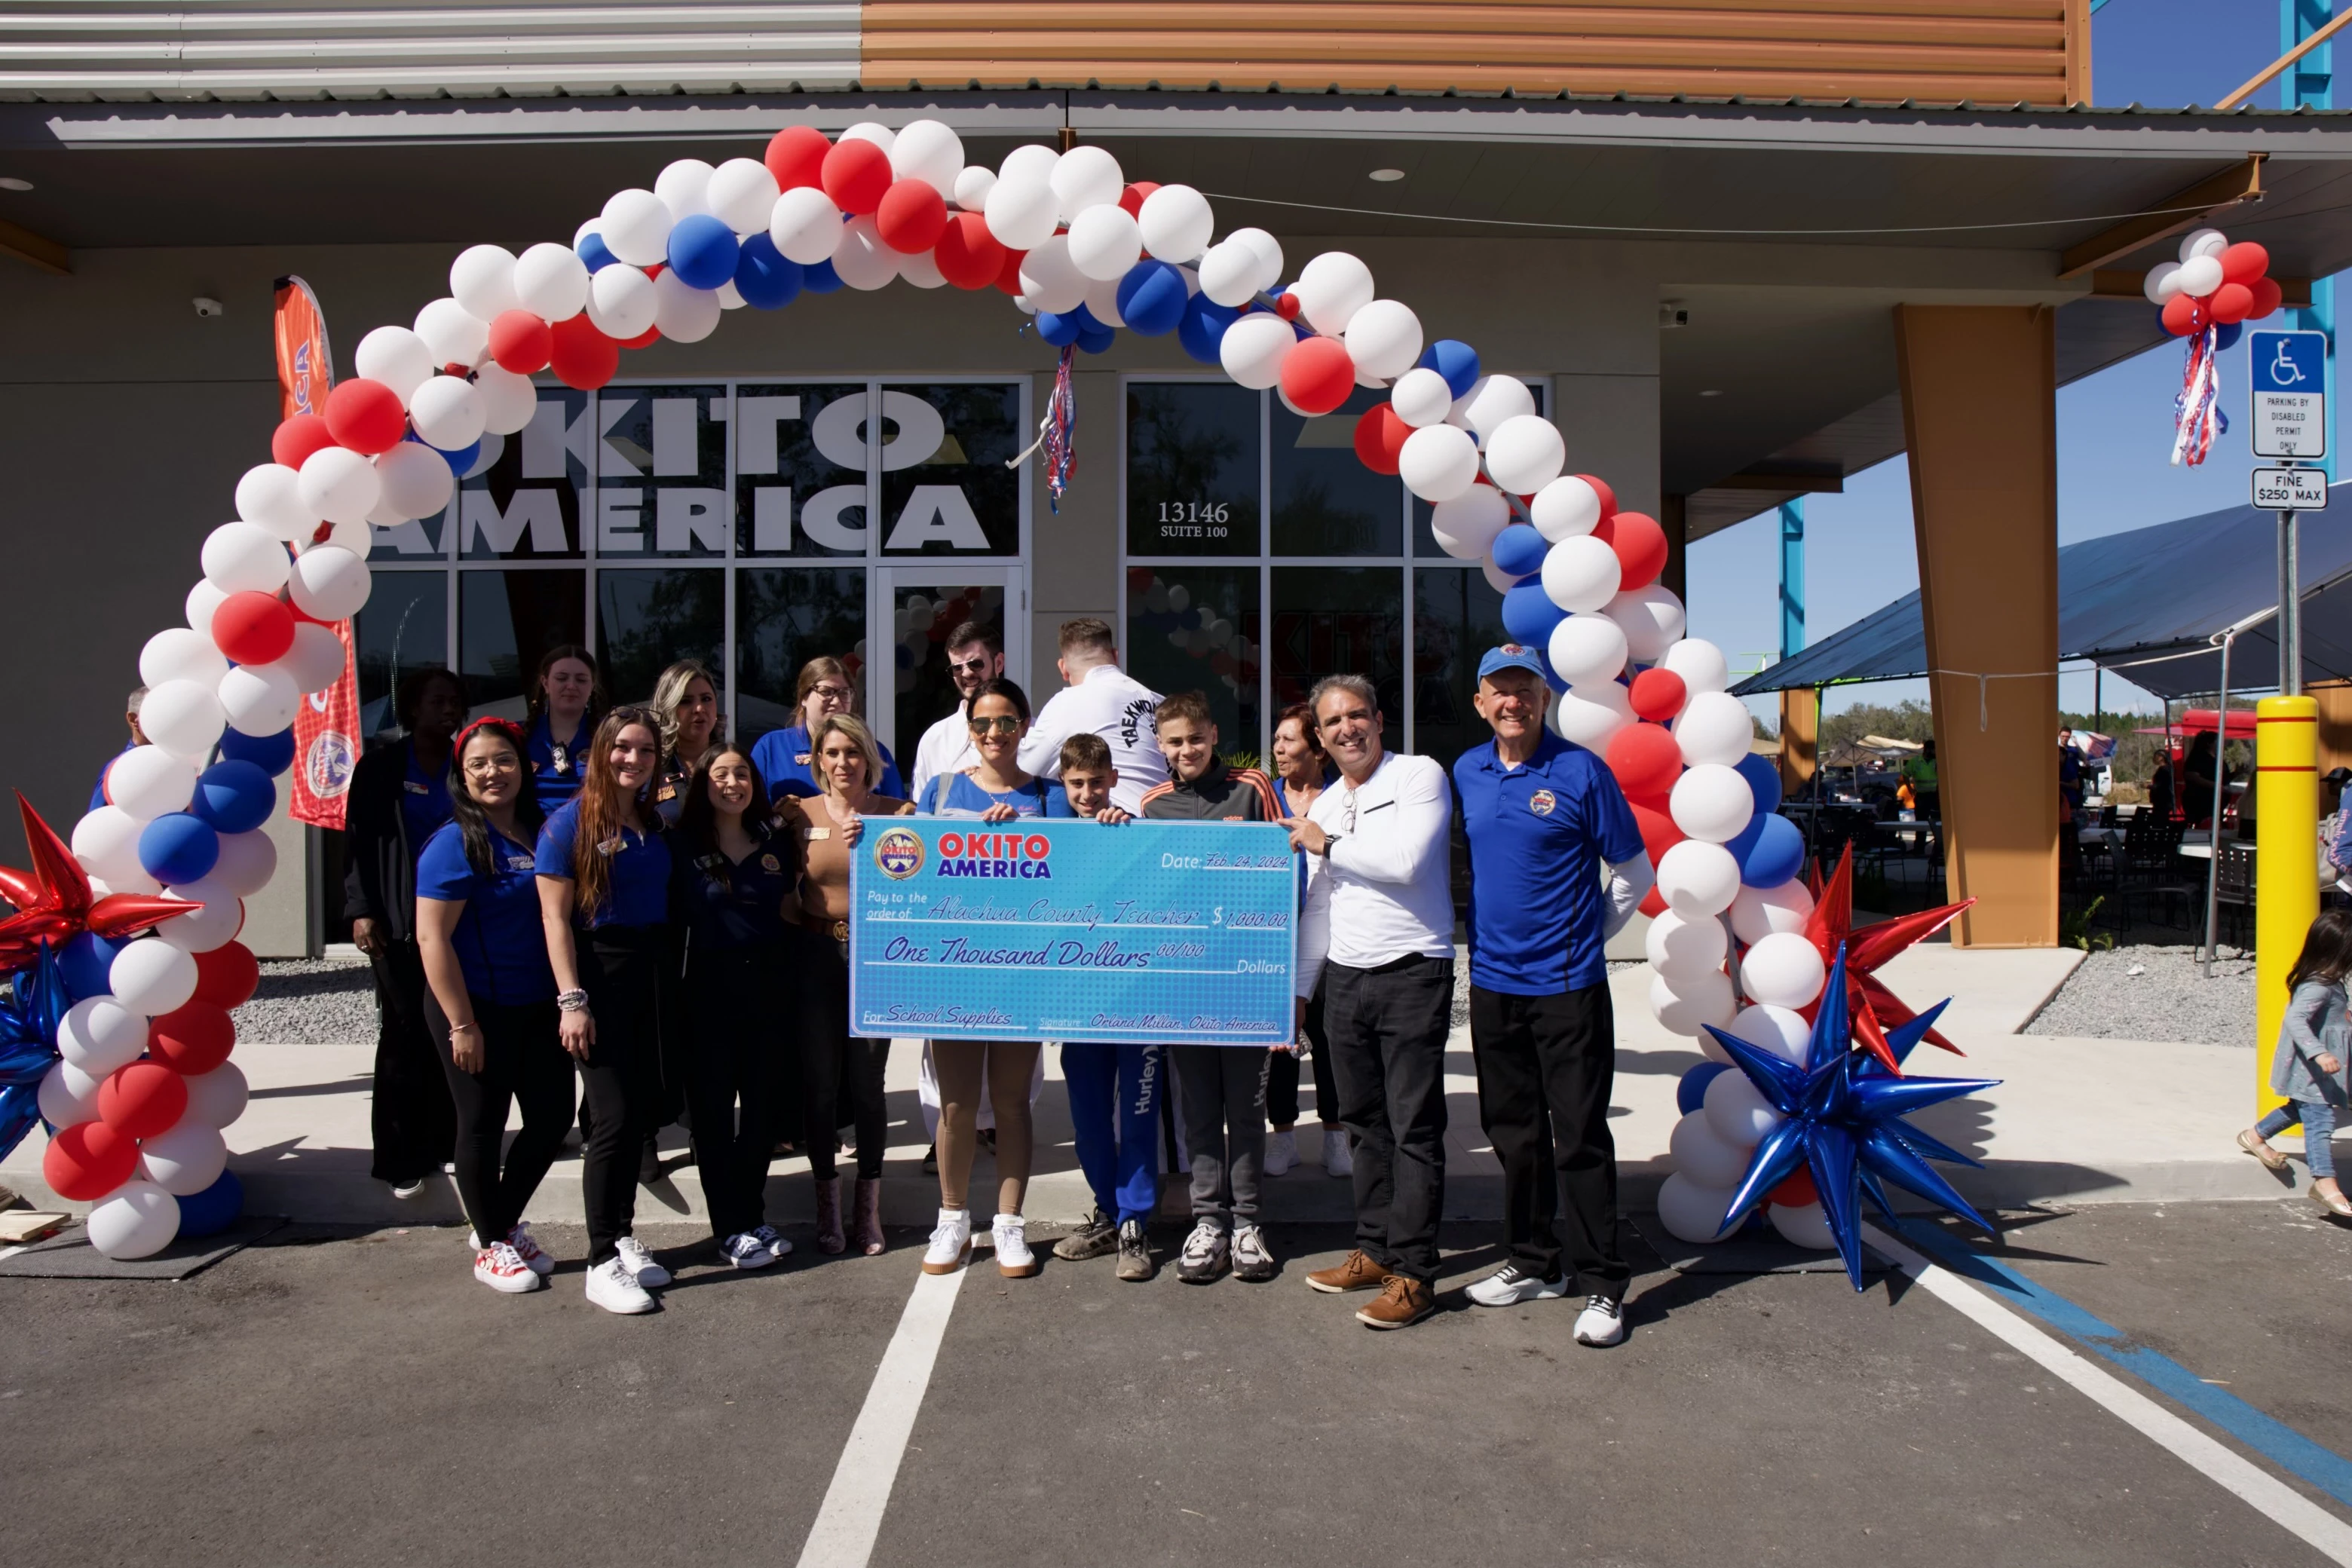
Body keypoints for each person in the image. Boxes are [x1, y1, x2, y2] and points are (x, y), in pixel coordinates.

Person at [1453, 646, 1655, 1348]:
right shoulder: (1467, 770)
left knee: (1580, 1138)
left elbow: (1633, 870)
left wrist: (1587, 936)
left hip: (1569, 988)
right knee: (1513, 1134)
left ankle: (1603, 1283)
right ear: (1481, 703)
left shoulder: (1581, 771)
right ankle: (1535, 1262)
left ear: (1545, 699)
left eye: (1525, 690)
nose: (1513, 702)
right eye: (1499, 691)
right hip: (1492, 985)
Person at [1290, 673, 1456, 1331]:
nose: (1347, 729)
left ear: (1379, 720)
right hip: (1345, 979)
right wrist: (1300, 993)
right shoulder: (1327, 803)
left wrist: (1326, 842)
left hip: (1413, 970)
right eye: (1333, 723)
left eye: (1357, 715)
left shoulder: (1418, 775)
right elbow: (1319, 908)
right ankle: (1375, 1248)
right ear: (1320, 736)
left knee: (1414, 1127)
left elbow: (1408, 862)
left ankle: (1414, 1274)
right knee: (1363, 1123)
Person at [917, 676, 1070, 1278]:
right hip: (955, 971)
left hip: (1022, 973)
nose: (994, 733)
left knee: (1011, 1103)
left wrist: (1033, 834)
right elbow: (912, 865)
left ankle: (1009, 1223)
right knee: (955, 1104)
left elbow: (1078, 870)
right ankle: (952, 1219)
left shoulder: (1049, 795)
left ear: (1025, 726)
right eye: (982, 723)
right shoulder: (941, 789)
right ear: (969, 729)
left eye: (1006, 721)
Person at [1137, 691, 1291, 1284]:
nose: (1187, 750)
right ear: (1160, 746)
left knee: (1246, 1111)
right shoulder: (1152, 805)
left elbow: (1286, 872)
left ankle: (1248, 1223)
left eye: (1195, 739)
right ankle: (1208, 1222)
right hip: (1184, 986)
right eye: (1175, 742)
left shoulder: (1252, 787)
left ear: (1214, 735)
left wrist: (1281, 984)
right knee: (1199, 1112)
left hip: (1247, 982)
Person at [412, 718, 569, 1294]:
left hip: (537, 1004)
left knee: (552, 1118)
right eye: (477, 764)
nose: (492, 772)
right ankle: (491, 1244)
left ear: (523, 766)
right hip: (474, 1007)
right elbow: (431, 938)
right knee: (482, 1124)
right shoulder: (453, 843)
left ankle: (497, 1225)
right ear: (462, 775)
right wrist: (462, 1024)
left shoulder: (542, 829)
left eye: (502, 760)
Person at [537, 706, 676, 1315]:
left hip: (651, 977)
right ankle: (599, 1261)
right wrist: (572, 1000)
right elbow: (554, 920)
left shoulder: (651, 820)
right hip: (600, 979)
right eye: (623, 748)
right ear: (600, 751)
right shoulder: (567, 825)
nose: (633, 759)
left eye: (645, 751)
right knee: (612, 1119)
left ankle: (621, 1235)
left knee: (638, 1113)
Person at [772, 712, 909, 1257]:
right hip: (816, 956)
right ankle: (827, 1204)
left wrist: (874, 844)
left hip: (875, 960)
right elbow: (778, 882)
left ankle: (866, 1208)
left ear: (868, 758)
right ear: (819, 761)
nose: (843, 762)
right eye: (832, 753)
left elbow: (917, 883)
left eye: (852, 752)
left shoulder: (899, 814)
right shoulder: (798, 813)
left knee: (868, 1085)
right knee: (821, 1084)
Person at [342, 666, 467, 1200]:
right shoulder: (380, 768)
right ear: (413, 708)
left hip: (459, 924)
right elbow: (357, 846)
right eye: (438, 701)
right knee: (403, 1031)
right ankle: (399, 1156)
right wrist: (361, 909)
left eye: (455, 702)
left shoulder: (468, 764)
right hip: (397, 925)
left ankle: (447, 1141)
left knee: (451, 1029)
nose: (449, 710)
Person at [670, 743, 796, 1269]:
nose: (732, 783)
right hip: (707, 994)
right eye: (720, 774)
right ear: (703, 784)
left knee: (763, 1114)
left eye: (741, 773)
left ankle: (751, 1214)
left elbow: (794, 904)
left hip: (769, 991)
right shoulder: (680, 843)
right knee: (715, 1118)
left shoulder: (776, 839)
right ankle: (729, 1228)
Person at [1049, 732, 1162, 1282]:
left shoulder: (1137, 831)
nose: (1088, 793)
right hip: (1079, 1005)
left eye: (1097, 781)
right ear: (1063, 783)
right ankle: (1109, 1213)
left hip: (1138, 1003)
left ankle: (1135, 1222)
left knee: (1138, 1119)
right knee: (1089, 1120)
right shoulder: (1049, 836)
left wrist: (1128, 834)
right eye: (1077, 783)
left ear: (1114, 778)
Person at [1266, 701, 1347, 1181]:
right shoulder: (1264, 796)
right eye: (1276, 739)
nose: (1278, 748)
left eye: (1288, 740)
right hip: (1275, 939)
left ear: (1317, 749)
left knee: (1329, 1036)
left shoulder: (1342, 796)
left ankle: (1336, 1135)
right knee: (1280, 1041)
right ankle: (1283, 1137)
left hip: (1333, 937)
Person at [2239, 908, 2352, 1218]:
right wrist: (2320, 1053)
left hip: (2317, 1074)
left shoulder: (2332, 981)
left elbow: (2331, 1020)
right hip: (2311, 1070)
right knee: (2319, 1122)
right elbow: (2295, 1019)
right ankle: (2325, 1183)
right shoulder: (2318, 985)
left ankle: (2255, 1136)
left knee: (2301, 1109)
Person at [1018, 617, 1168, 813]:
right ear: (1116, 656)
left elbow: (1021, 773)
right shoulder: (1160, 702)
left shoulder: (1069, 703)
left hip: (1119, 824)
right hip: (1171, 823)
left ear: (1063, 668)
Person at [751, 656, 906, 801]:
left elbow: (899, 812)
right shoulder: (771, 748)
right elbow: (751, 810)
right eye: (826, 692)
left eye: (844, 693)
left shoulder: (875, 751)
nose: (837, 701)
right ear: (804, 697)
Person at [908, 620, 1003, 805]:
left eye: (976, 664)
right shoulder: (935, 738)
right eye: (957, 668)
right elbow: (920, 808)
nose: (966, 673)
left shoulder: (1030, 732)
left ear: (998, 663)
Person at [525, 645, 604, 815]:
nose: (571, 686)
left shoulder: (610, 735)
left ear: (592, 686)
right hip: (533, 829)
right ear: (545, 683)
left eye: (581, 680)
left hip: (595, 827)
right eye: (561, 678)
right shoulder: (519, 735)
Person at [650, 658, 722, 826]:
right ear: (667, 709)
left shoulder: (734, 762)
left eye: (706, 699)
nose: (699, 708)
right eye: (686, 701)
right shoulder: (650, 766)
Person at [90, 686, 149, 810]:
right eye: (157, 715)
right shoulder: (117, 772)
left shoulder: (184, 765)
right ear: (133, 719)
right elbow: (97, 819)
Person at [1900, 739, 1938, 822]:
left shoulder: (1936, 761)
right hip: (1921, 796)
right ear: (1928, 750)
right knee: (1921, 819)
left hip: (1935, 795)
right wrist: (1909, 788)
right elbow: (1905, 774)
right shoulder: (1915, 761)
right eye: (1934, 750)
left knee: (1937, 820)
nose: (1936, 752)